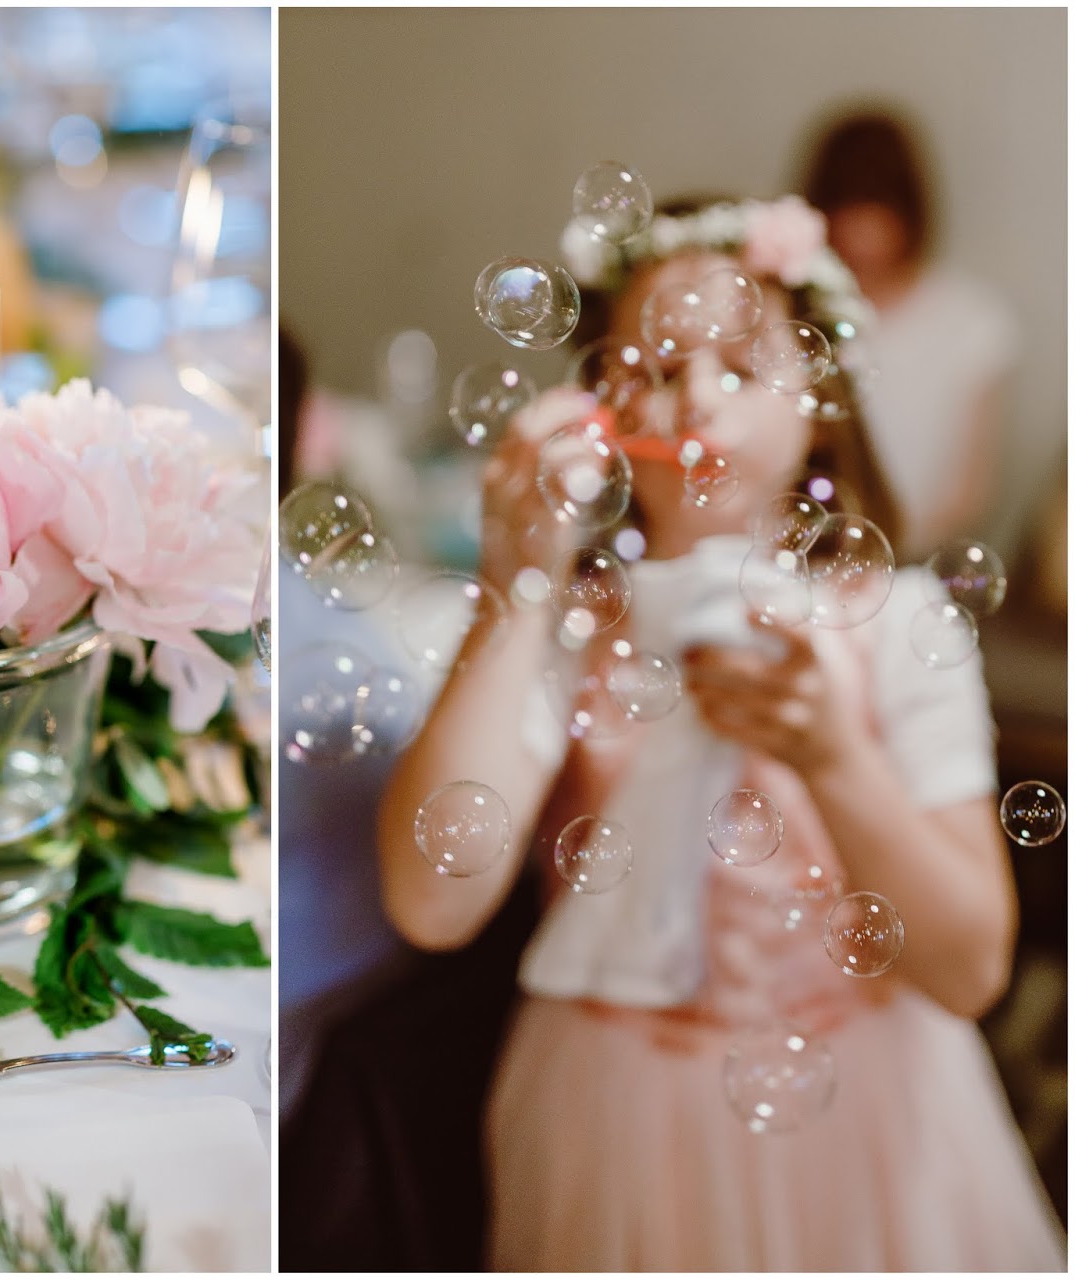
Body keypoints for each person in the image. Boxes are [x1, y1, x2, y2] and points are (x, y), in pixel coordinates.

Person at [375, 196, 1066, 1270]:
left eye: (739, 366)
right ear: (598, 410)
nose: (693, 393)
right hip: (614, 1117)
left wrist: (834, 756)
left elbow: (970, 966)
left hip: (869, 1117)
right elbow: (430, 897)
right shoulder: (567, 625)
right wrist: (513, 583)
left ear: (818, 407)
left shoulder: (894, 621)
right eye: (650, 364)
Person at [801, 109, 1019, 563]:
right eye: (847, 206)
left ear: (909, 208)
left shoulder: (972, 321)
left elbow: (970, 490)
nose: (861, 231)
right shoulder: (802, 312)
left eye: (876, 205)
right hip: (809, 555)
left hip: (912, 561)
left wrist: (881, 549)